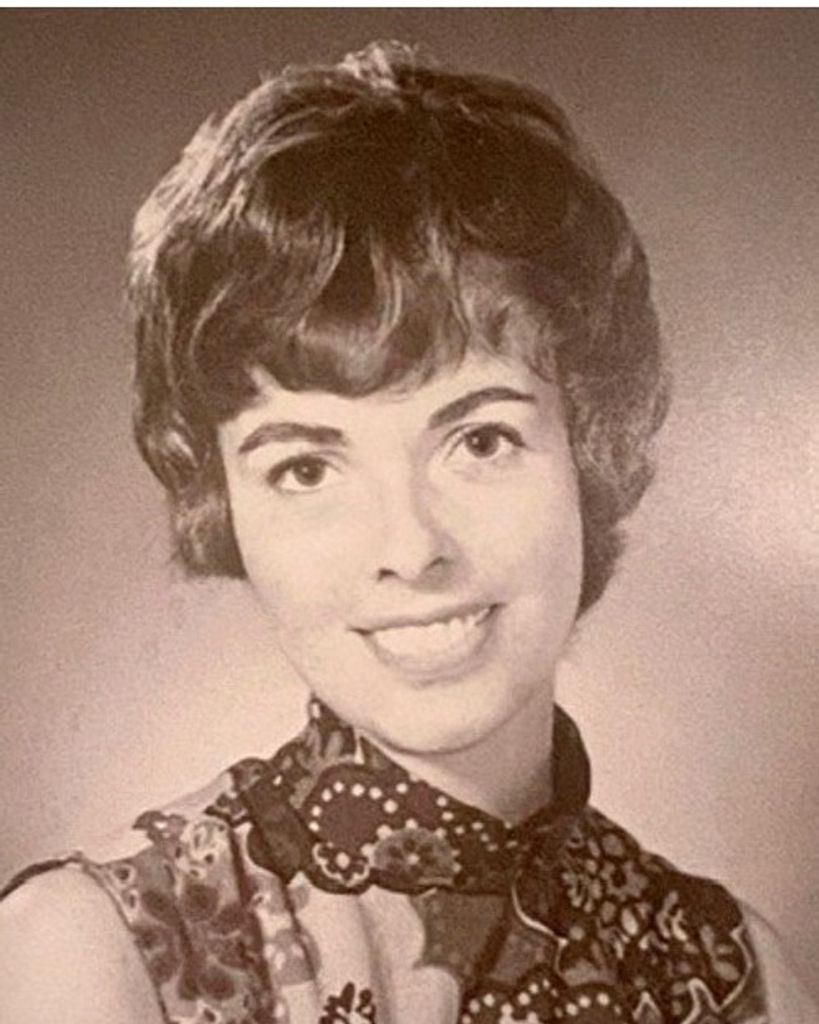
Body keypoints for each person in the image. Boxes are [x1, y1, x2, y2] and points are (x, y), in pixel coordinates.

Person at [1, 40, 815, 1024]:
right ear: (225, 505)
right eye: (307, 467)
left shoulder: (736, 977)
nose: (410, 547)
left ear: (588, 447)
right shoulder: (87, 959)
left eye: (479, 440)